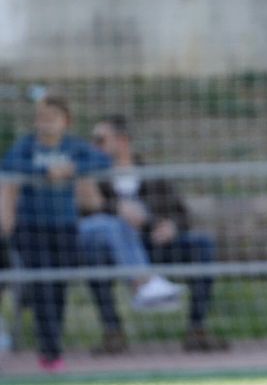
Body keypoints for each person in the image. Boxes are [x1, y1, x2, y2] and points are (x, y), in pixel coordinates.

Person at [87, 115, 225, 353]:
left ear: (122, 141)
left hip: (157, 246)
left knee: (203, 245)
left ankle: (197, 330)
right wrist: (117, 210)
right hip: (116, 253)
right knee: (95, 256)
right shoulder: (93, 180)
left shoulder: (152, 174)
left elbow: (183, 214)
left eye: (100, 140)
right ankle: (113, 333)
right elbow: (86, 212)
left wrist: (171, 226)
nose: (94, 146)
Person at [0, 95, 110, 371]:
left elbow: (101, 161)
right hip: (32, 228)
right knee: (43, 286)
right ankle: (49, 352)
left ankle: (53, 345)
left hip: (64, 228)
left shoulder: (72, 147)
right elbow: (10, 165)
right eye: (41, 118)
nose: (45, 124)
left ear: (65, 122)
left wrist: (72, 169)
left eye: (51, 118)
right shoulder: (28, 145)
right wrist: (44, 171)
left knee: (59, 286)